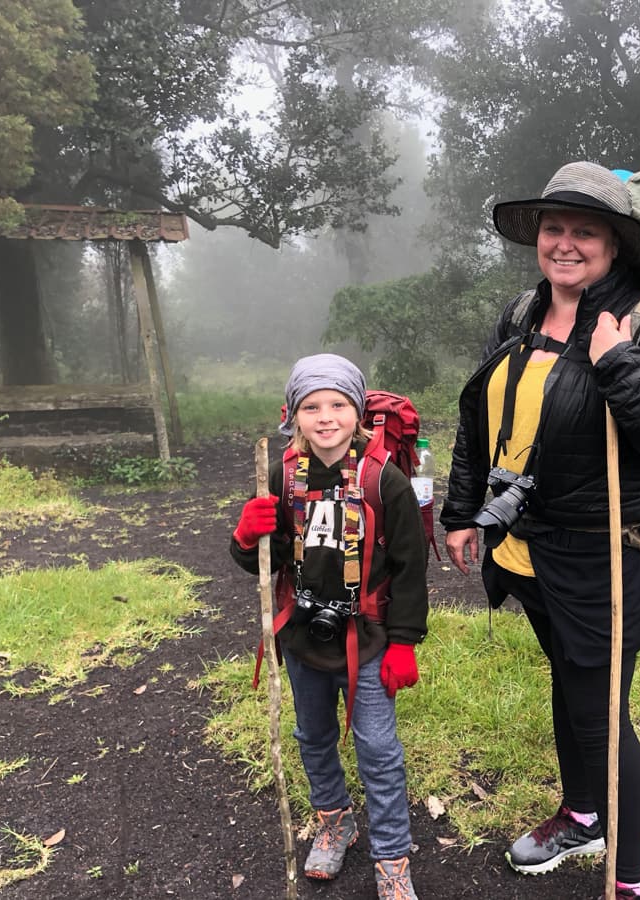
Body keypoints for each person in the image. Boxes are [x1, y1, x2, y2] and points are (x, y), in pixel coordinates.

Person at [440, 162, 640, 900]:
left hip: (612, 560)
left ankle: (631, 880)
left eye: (584, 231)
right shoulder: (524, 312)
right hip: (532, 548)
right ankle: (583, 814)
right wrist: (464, 512)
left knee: (600, 711)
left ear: (614, 245)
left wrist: (619, 363)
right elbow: (481, 420)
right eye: (554, 228)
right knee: (569, 690)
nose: (565, 243)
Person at [230, 353, 428, 900]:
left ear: (357, 410)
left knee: (379, 749)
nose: (325, 417)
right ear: (293, 414)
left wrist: (404, 643)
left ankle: (392, 857)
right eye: (311, 406)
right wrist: (248, 536)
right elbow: (260, 563)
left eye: (337, 404)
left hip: (366, 639)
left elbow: (411, 568)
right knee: (313, 735)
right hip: (301, 636)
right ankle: (335, 821)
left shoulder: (383, 480)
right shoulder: (281, 475)